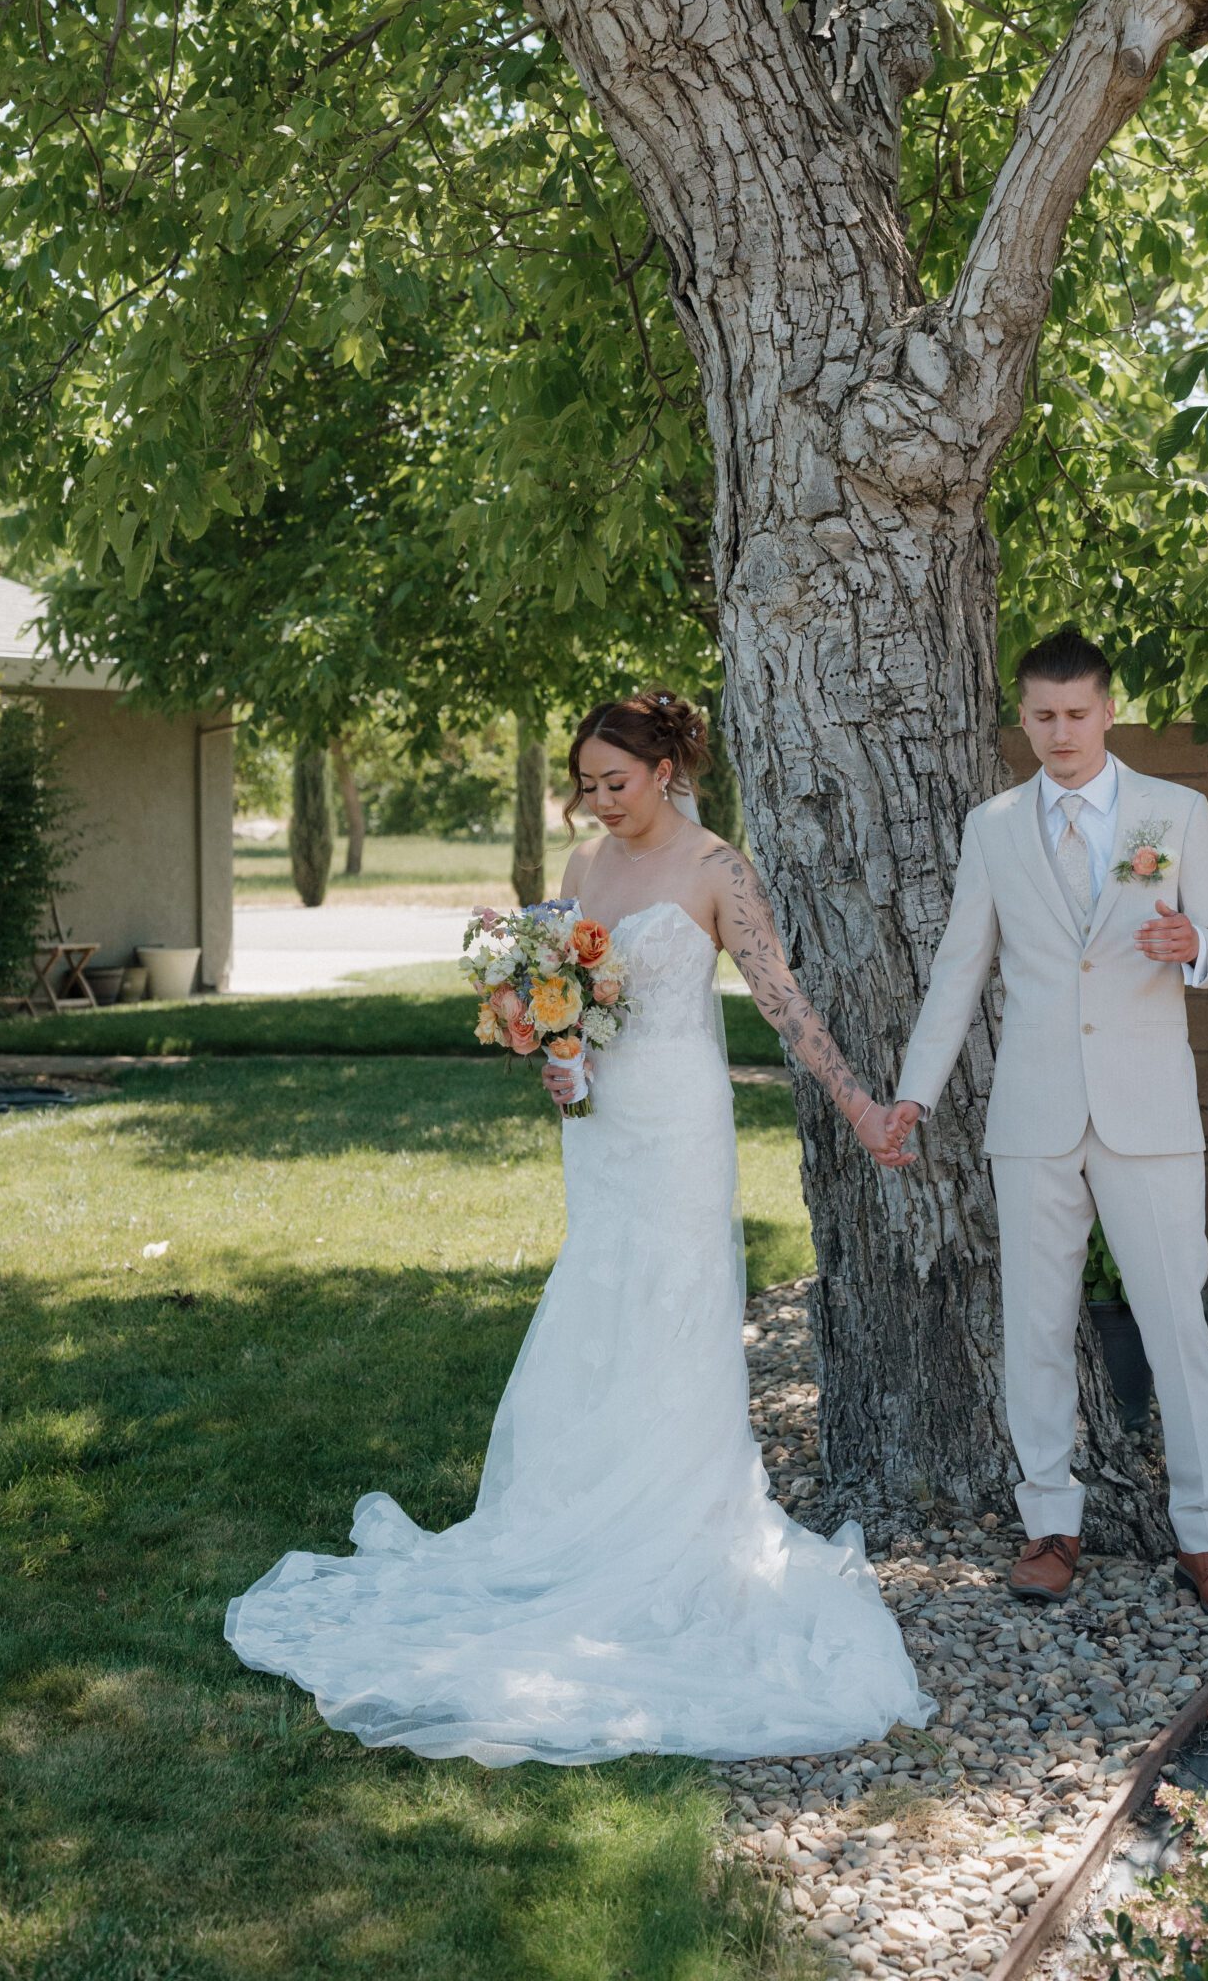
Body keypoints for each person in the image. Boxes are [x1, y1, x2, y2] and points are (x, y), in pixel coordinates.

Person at [225, 691, 932, 1764]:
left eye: (616, 782)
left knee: (677, 1313)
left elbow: (783, 1002)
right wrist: (557, 1054)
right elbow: (567, 1001)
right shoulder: (581, 873)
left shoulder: (715, 868)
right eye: (586, 786)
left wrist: (863, 1108)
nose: (599, 803)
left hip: (682, 1129)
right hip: (600, 1133)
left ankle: (679, 1525)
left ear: (664, 768)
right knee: (603, 1302)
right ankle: (582, 1506)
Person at [890, 628, 1208, 1621]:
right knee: (1038, 1327)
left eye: (1078, 713)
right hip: (1036, 1114)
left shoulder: (1173, 813)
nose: (1061, 731)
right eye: (1043, 715)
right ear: (1024, 717)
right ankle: (1050, 1524)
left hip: (1150, 1114)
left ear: (1107, 710)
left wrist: (1192, 944)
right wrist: (914, 1094)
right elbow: (959, 972)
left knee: (1177, 1327)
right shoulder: (995, 827)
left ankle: (1206, 1538)